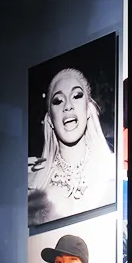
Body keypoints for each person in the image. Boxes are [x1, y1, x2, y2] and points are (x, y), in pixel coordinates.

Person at [27, 67, 117, 225]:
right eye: (58, 101)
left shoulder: (114, 171)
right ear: (50, 120)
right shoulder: (33, 185)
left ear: (88, 109)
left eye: (76, 96)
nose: (68, 106)